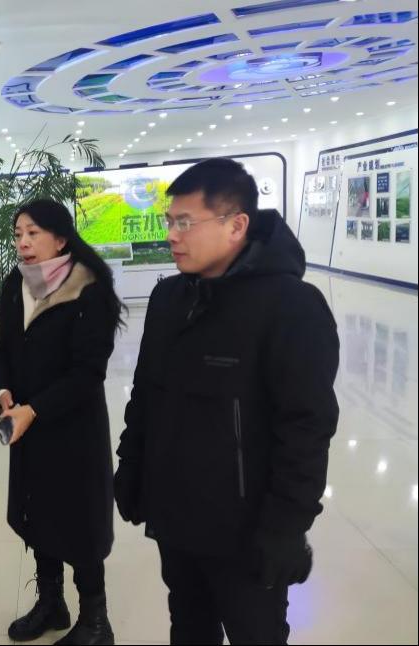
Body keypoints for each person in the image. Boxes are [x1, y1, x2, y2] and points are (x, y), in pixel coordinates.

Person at [114, 158, 340, 645]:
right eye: (169, 221)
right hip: (177, 517)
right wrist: (131, 467)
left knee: (255, 634)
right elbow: (146, 395)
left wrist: (286, 527)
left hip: (248, 530)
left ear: (237, 225)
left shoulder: (292, 306)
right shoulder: (169, 300)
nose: (172, 235)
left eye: (185, 222)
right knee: (188, 627)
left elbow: (306, 428)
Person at [0, 198, 124, 645]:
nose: (23, 243)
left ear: (61, 239)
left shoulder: (89, 289)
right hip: (26, 424)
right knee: (39, 514)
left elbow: (88, 372)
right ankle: (51, 604)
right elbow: (2, 349)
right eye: (18, 234)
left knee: (79, 522)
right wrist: (3, 392)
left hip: (72, 428)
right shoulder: (15, 285)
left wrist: (34, 410)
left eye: (33, 233)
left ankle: (96, 621)